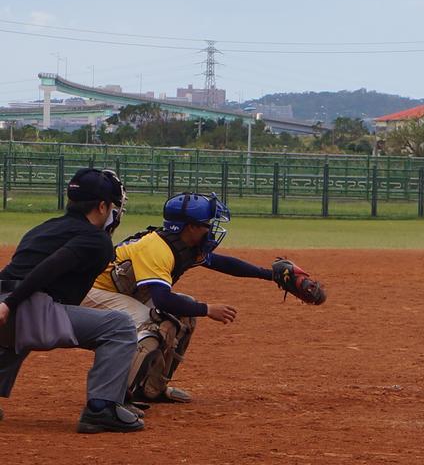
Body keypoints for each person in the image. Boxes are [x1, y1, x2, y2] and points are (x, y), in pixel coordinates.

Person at [82, 191, 324, 404]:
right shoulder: (157, 248)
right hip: (95, 293)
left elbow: (222, 263)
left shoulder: (185, 245)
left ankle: (152, 389)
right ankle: (115, 399)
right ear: (190, 227)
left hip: (122, 293)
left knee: (183, 315)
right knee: (154, 325)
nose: (211, 229)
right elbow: (162, 300)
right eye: (206, 223)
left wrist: (269, 275)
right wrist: (207, 308)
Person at [0, 168, 143, 433]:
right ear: (102, 206)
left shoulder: (45, 227)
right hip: (20, 305)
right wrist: (10, 304)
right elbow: (51, 266)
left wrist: (8, 302)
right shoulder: (96, 239)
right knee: (120, 327)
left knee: (14, 337)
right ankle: (101, 408)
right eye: (112, 206)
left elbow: (16, 270)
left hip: (9, 302)